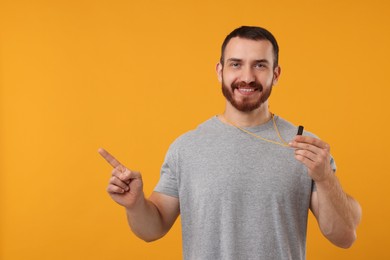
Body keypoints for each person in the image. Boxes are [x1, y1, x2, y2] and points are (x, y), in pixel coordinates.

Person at [98, 26, 362, 260]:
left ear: (276, 74)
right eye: (236, 64)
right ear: (219, 70)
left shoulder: (307, 147)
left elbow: (344, 236)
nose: (246, 76)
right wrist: (134, 205)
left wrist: (326, 178)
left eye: (260, 65)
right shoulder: (186, 148)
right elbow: (152, 229)